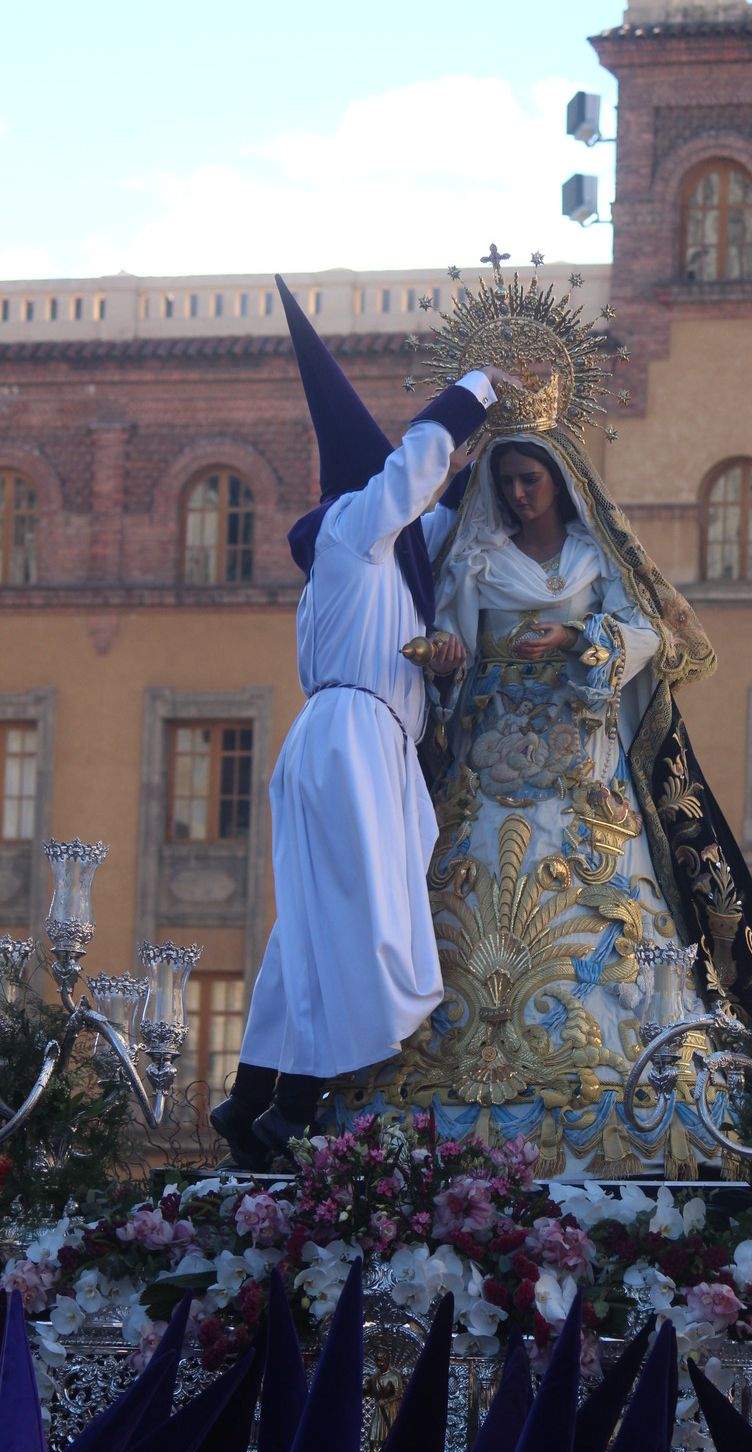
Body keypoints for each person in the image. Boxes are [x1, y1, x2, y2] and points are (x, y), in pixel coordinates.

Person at [324, 383, 752, 1178]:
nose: (520, 494)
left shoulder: (596, 556)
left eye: (531, 479)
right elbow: (449, 648)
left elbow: (650, 634)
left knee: (602, 903)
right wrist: (446, 660)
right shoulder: (476, 557)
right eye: (507, 483)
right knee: (466, 895)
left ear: (560, 479)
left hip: (583, 767)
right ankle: (437, 1089)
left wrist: (579, 638)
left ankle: (629, 1080)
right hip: (490, 762)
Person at [211, 273, 522, 1167]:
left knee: (310, 927)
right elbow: (419, 468)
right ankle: (297, 1108)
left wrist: (492, 454)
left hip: (344, 740)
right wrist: (477, 390)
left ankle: (252, 1100)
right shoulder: (353, 527)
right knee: (369, 921)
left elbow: (443, 519)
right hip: (352, 742)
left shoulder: (373, 562)